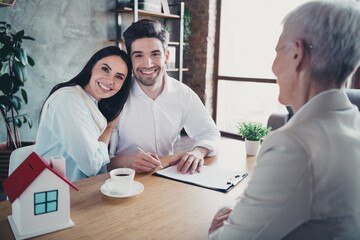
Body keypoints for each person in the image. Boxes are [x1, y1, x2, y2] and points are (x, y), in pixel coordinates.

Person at [209, 1, 360, 239]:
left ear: (297, 54)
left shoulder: (293, 145)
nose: (273, 67)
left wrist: (226, 215)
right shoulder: (354, 122)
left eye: (278, 51)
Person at [108, 19, 220, 174]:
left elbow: (210, 132)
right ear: (130, 60)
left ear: (166, 56)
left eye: (155, 54)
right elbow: (99, 162)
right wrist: (126, 161)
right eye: (138, 55)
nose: (147, 63)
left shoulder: (183, 94)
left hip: (166, 175)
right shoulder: (115, 95)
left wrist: (198, 151)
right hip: (123, 179)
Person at [35, 46, 132, 182]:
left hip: (81, 189)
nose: (110, 80)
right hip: (53, 192)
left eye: (119, 77)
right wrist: (109, 129)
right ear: (92, 67)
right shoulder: (69, 100)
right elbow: (91, 166)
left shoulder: (94, 106)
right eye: (105, 69)